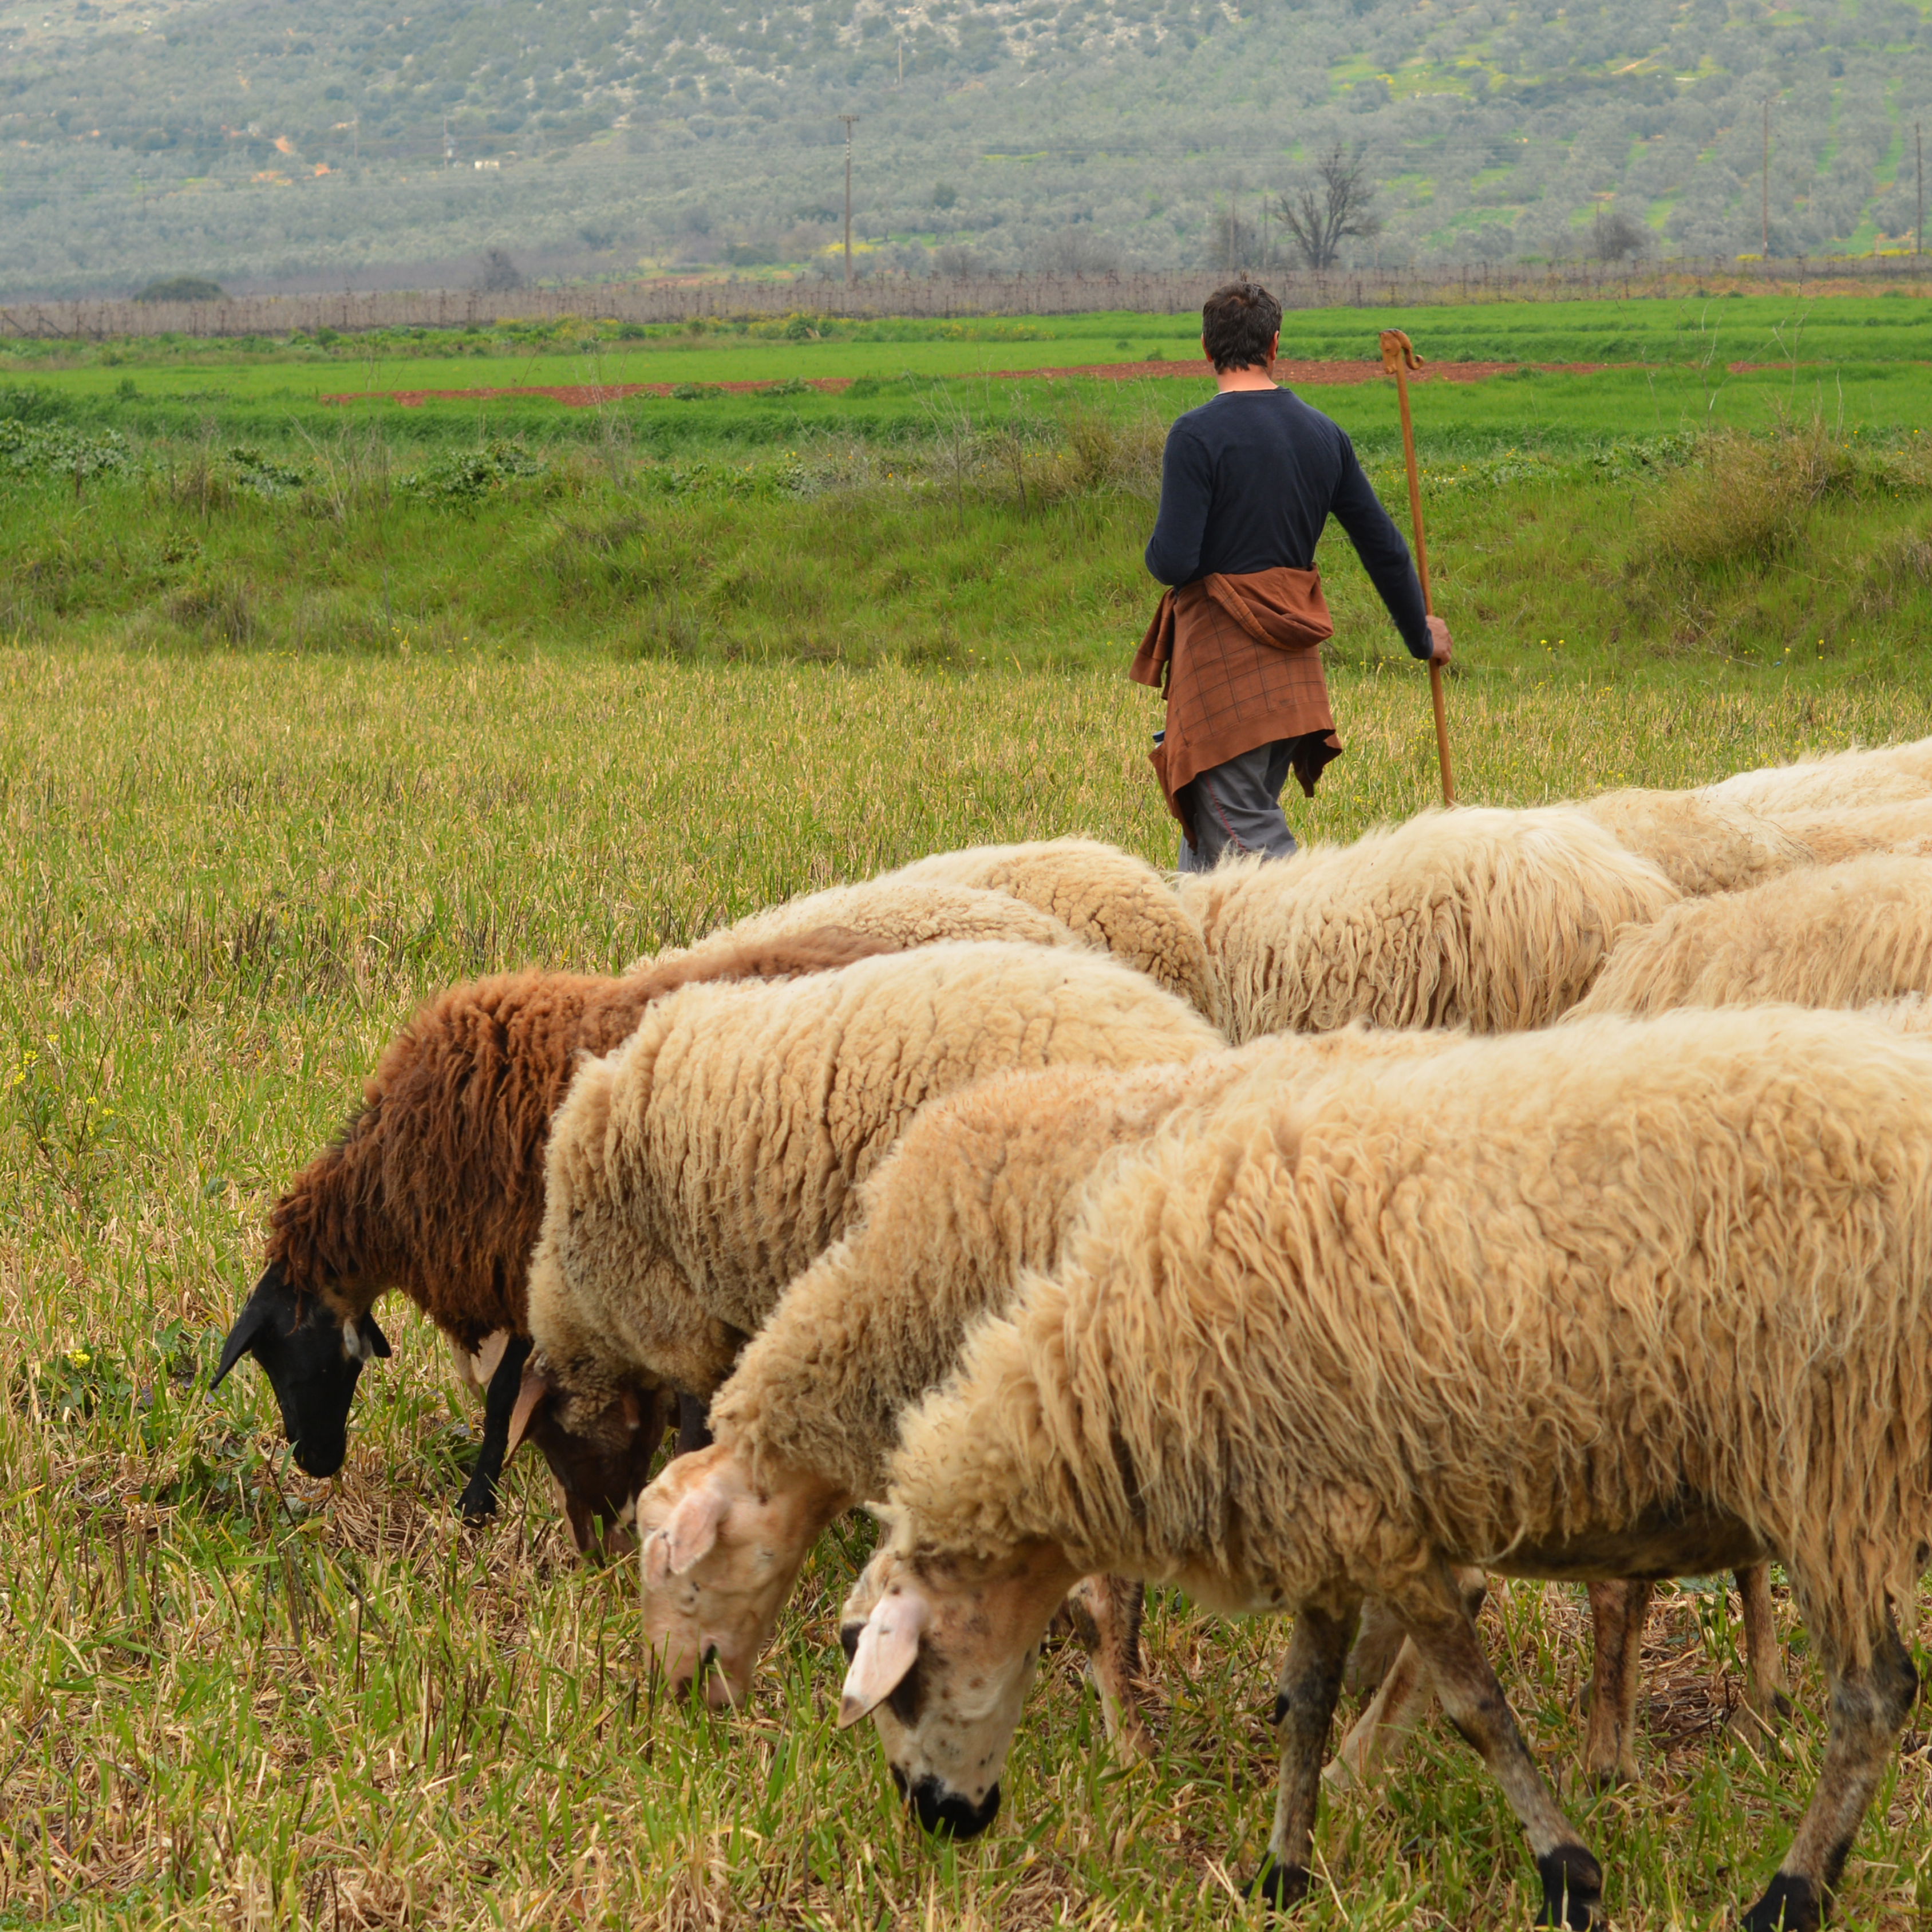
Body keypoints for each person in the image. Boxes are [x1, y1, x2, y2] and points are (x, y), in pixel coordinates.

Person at [1132, 280, 1452, 872]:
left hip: (1224, 676)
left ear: (1206, 348)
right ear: (1275, 344)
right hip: (1292, 685)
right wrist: (1420, 635)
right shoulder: (1323, 434)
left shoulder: (1195, 436)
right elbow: (1383, 546)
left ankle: (1337, 955)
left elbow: (1173, 561)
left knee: (1256, 854)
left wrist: (1155, 549)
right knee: (1210, 851)